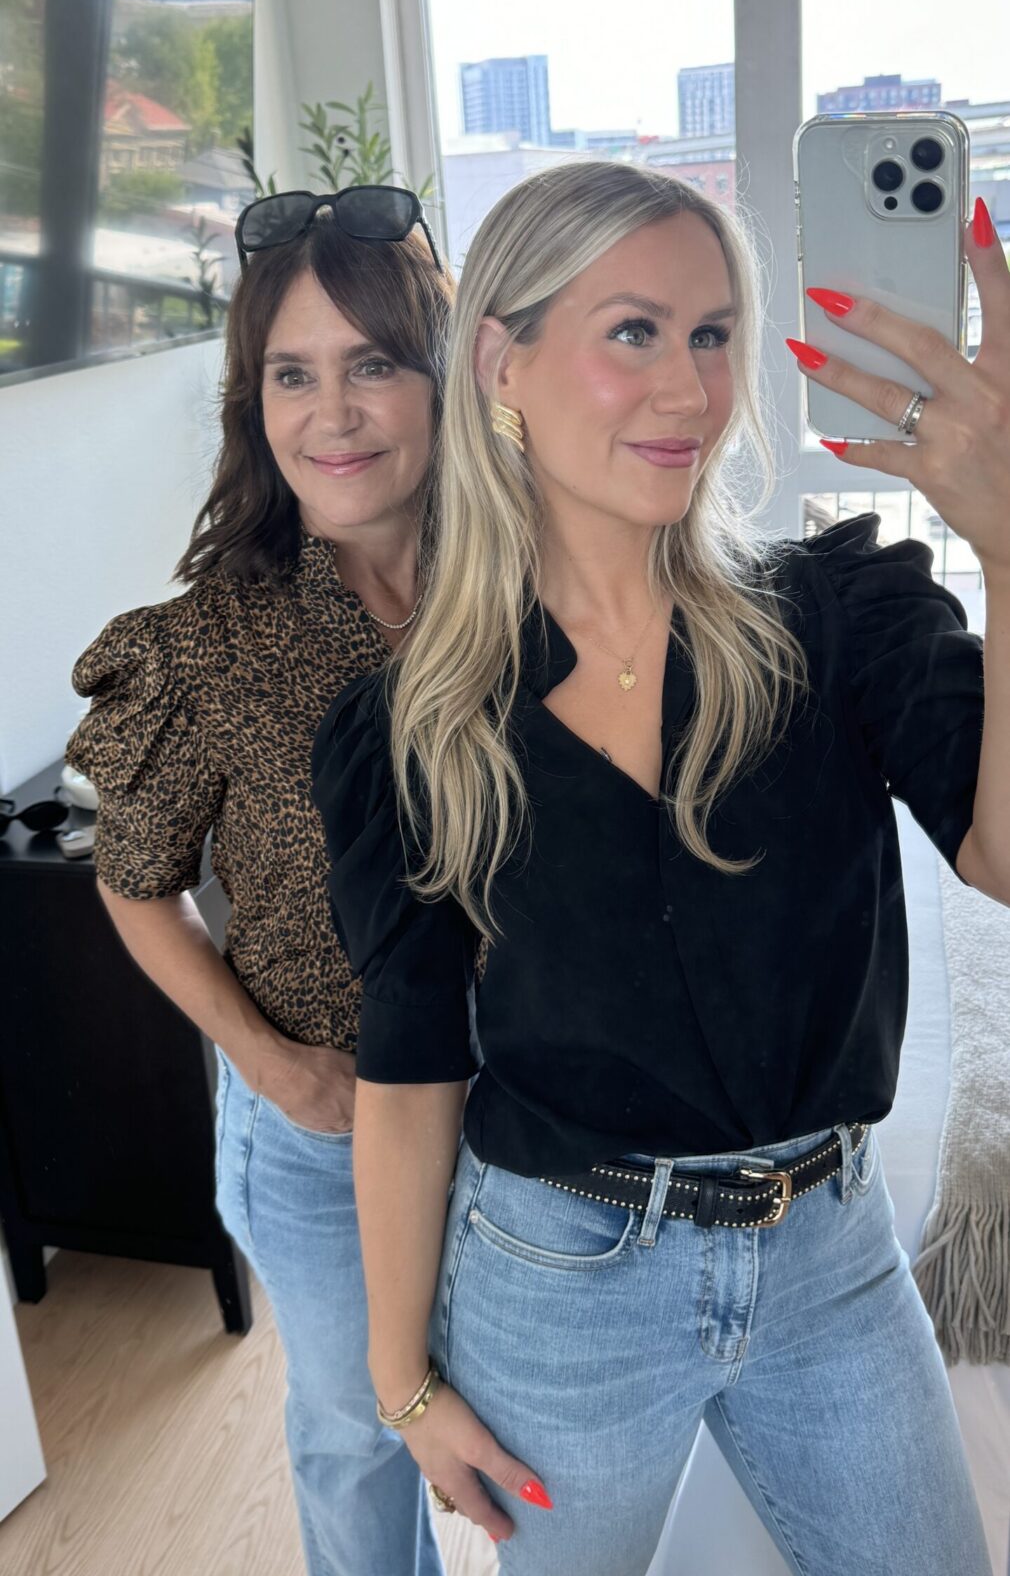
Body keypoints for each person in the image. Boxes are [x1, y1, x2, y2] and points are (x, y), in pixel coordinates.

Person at [312, 161, 1010, 1576]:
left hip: (830, 1257)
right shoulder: (409, 727)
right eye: (634, 330)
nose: (691, 390)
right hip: (560, 1281)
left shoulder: (836, 617)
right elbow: (407, 1070)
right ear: (502, 361)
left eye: (711, 334)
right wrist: (402, 1383)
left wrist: (1009, 541)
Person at [66, 188, 453, 1576]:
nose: (330, 413)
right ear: (254, 399)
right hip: (328, 1127)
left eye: (373, 364)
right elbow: (135, 883)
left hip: (533, 1114)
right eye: (292, 372)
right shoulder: (208, 641)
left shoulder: (533, 592)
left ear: (442, 378)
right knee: (357, 1434)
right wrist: (274, 1068)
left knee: (530, 1433)